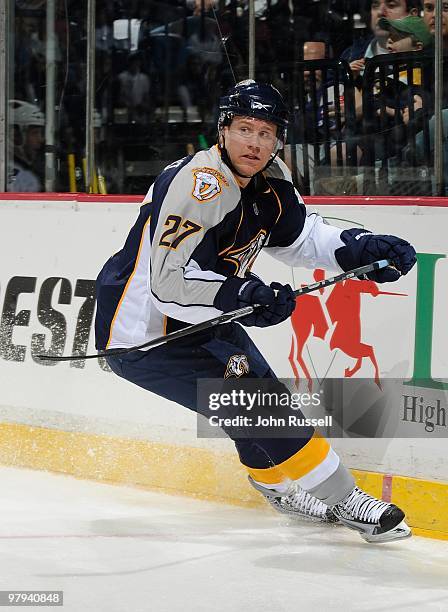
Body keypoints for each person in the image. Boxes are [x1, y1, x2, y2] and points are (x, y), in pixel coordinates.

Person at [94, 80, 417, 542]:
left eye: (267, 133)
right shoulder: (198, 185)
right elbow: (166, 284)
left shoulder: (272, 178)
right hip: (148, 334)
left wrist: (358, 250)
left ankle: (278, 489)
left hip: (204, 318)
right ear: (222, 131)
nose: (255, 143)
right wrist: (243, 295)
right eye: (245, 129)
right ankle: (347, 501)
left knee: (255, 403)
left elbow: (301, 237)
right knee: (264, 408)